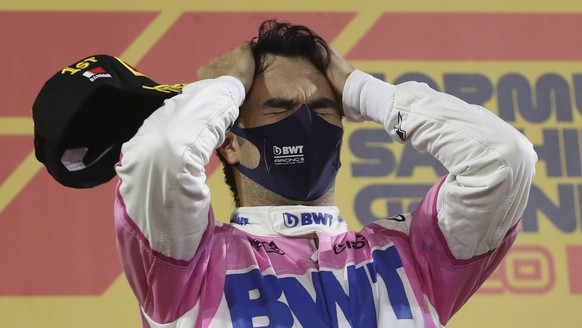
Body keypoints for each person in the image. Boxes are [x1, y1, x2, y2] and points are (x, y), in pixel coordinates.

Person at [114, 20, 537, 327]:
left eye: (322, 109)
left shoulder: (413, 256)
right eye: (278, 109)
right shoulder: (190, 264)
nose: (305, 125)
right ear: (227, 142)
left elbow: (504, 159)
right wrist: (225, 87)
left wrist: (360, 88)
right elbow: (160, 154)